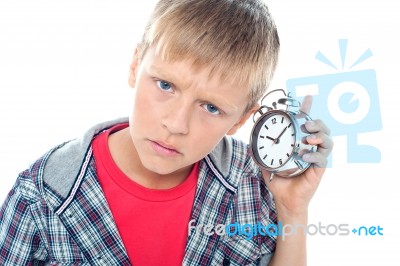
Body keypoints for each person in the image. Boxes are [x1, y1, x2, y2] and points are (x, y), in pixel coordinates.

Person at [0, 0, 333, 265]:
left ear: (240, 120)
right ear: (135, 65)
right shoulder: (40, 196)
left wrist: (293, 211)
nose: (176, 124)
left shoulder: (251, 182)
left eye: (211, 107)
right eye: (165, 85)